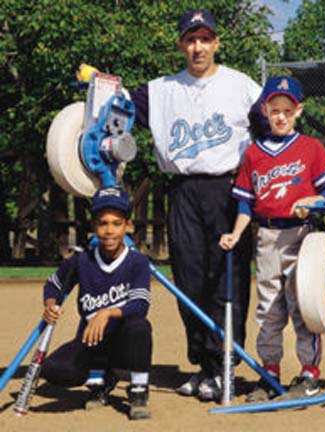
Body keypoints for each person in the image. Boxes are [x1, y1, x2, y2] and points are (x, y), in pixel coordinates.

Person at [78, 9, 263, 402]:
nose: (198, 47)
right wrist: (98, 86)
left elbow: (270, 135)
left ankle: (224, 363)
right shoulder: (160, 90)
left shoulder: (242, 86)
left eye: (205, 39)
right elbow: (118, 112)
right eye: (190, 39)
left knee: (226, 278)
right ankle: (203, 365)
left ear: (216, 43)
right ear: (181, 44)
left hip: (227, 190)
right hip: (181, 191)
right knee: (190, 279)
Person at [219, 76, 325, 402]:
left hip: (303, 236)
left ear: (298, 110)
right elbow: (246, 201)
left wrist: (311, 203)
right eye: (275, 110)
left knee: (303, 304)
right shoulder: (254, 154)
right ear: (266, 110)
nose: (281, 116)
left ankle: (308, 373)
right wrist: (235, 233)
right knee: (269, 307)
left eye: (288, 110)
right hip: (268, 236)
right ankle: (270, 372)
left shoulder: (311, 148)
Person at [40, 187, 152, 420]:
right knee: (53, 369)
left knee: (139, 326)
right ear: (94, 226)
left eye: (116, 223)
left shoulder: (137, 262)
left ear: (127, 226)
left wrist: (106, 313)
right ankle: (103, 380)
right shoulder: (82, 260)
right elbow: (53, 285)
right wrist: (50, 304)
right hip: (92, 342)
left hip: (124, 342)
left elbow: (140, 304)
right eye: (103, 223)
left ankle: (139, 391)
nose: (109, 230)